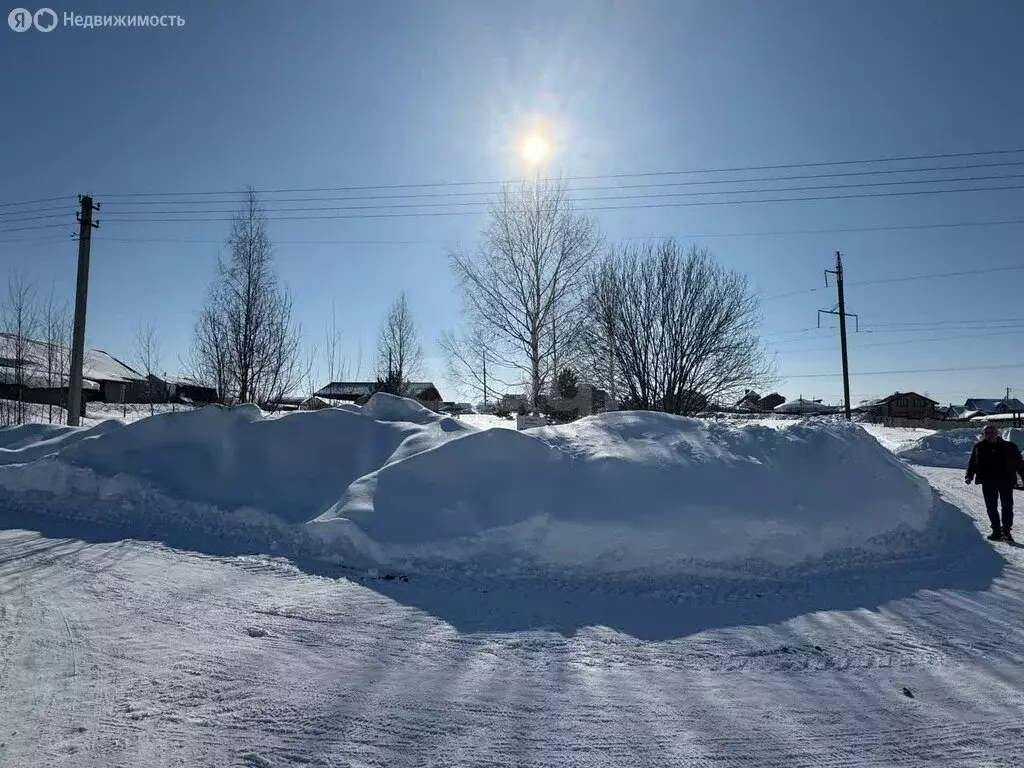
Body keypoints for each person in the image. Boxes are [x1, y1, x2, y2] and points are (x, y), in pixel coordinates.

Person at [965, 424, 1024, 542]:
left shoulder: (1009, 446)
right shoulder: (979, 447)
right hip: (988, 481)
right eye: (987, 432)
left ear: (997, 433)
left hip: (1006, 481)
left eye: (992, 432)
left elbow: (1020, 464)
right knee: (991, 507)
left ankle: (1006, 531)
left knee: (1007, 506)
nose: (990, 434)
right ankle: (996, 531)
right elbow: (973, 463)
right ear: (984, 434)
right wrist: (969, 476)